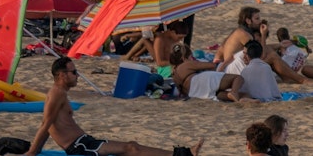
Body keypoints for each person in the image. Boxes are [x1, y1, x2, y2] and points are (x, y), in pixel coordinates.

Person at [23, 57, 201, 156]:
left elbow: (50, 125)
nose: (78, 76)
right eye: (74, 72)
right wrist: (32, 152)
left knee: (132, 146)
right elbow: (46, 125)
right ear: (62, 75)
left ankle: (181, 154)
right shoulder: (57, 93)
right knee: (131, 148)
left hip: (85, 142)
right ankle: (182, 155)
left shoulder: (59, 93)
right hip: (80, 147)